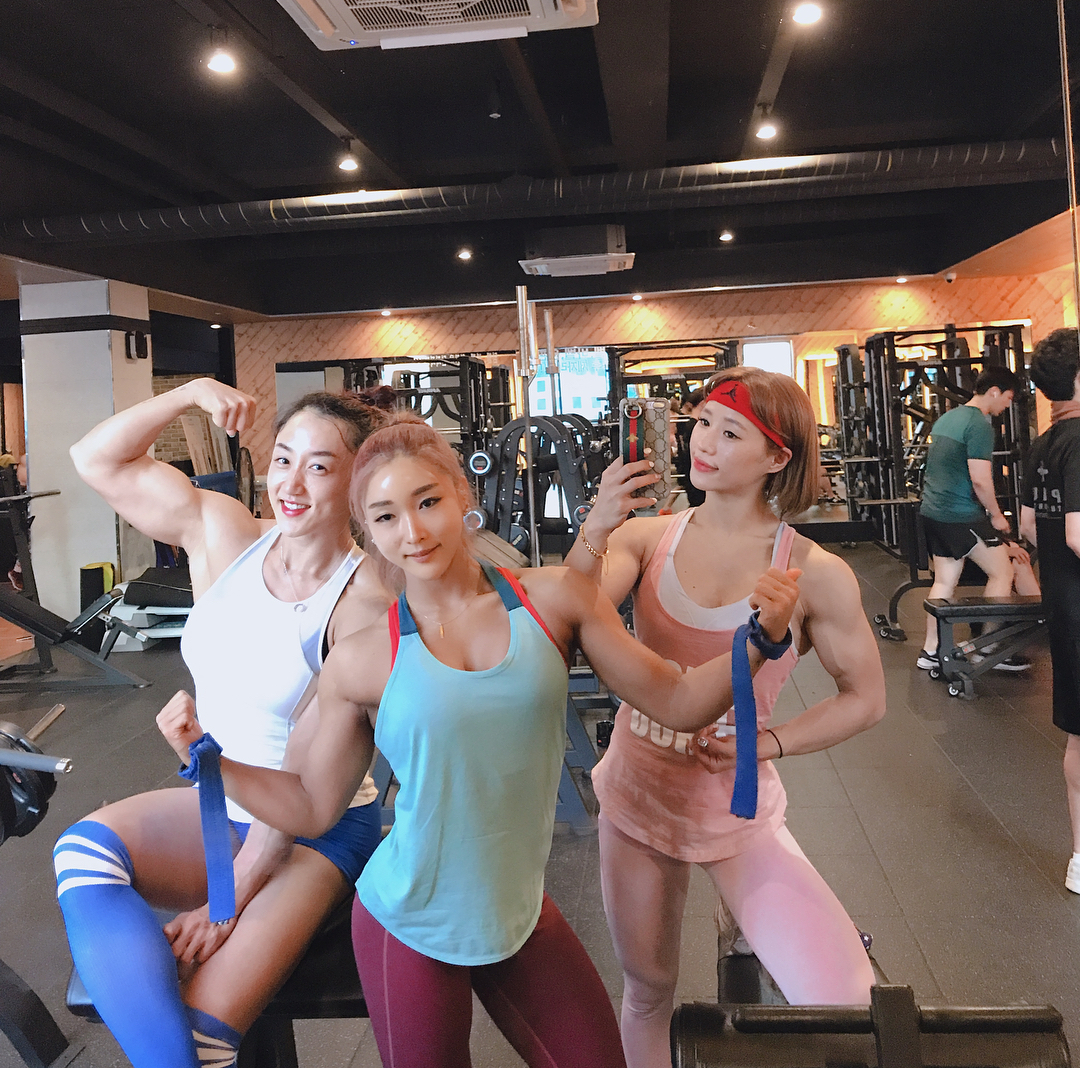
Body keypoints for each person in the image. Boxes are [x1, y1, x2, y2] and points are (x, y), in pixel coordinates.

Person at [155, 413, 803, 1068]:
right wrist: (209, 760)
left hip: (515, 910)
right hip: (407, 922)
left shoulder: (555, 599)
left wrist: (759, 640)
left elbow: (678, 700)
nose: (412, 532)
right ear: (368, 531)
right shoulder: (360, 657)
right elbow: (311, 806)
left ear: (462, 494)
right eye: (385, 517)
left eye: (427, 502)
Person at [54, 378, 395, 1068]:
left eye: (319, 466)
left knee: (205, 1038)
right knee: (82, 852)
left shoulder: (361, 601)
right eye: (283, 458)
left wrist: (228, 895)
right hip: (222, 800)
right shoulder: (227, 535)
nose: (290, 483)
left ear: (357, 484)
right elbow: (95, 458)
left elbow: (307, 784)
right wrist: (187, 393)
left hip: (311, 830)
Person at [565, 366, 885, 1068]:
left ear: (777, 457)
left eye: (731, 432)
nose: (703, 443)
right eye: (703, 422)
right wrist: (594, 527)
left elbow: (866, 698)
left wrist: (772, 741)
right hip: (638, 795)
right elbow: (568, 615)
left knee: (851, 1005)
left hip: (736, 809)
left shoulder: (812, 572)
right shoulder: (646, 539)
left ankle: (740, 923)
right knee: (648, 990)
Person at [918, 364, 1036, 672]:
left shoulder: (948, 418)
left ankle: (930, 651)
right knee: (1002, 572)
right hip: (960, 516)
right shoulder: (979, 425)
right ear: (994, 392)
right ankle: (988, 649)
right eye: (1008, 398)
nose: (1007, 405)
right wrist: (996, 516)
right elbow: (981, 480)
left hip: (933, 512)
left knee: (944, 581)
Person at [1021, 328, 1080, 892]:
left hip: (1064, 608)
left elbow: (1028, 527)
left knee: (1078, 735)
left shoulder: (1041, 445)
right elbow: (1079, 533)